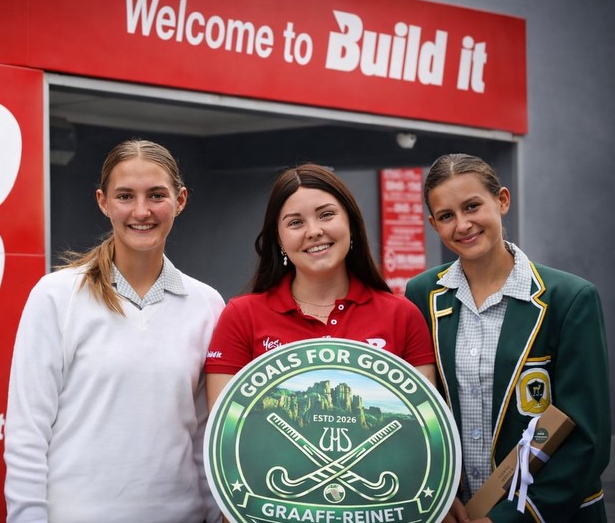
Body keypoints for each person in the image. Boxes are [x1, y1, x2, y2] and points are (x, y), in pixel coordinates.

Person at [4, 139, 224, 522]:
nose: (141, 211)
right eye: (125, 196)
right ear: (103, 202)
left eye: (156, 195)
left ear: (180, 200)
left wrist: (214, 513)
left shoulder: (207, 305)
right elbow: (27, 433)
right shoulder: (57, 296)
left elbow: (207, 435)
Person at [405, 153, 610, 522]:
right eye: (447, 216)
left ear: (501, 200)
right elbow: (418, 411)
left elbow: (587, 437)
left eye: (472, 206)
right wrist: (437, 495)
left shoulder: (569, 298)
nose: (462, 224)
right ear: (433, 224)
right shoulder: (421, 295)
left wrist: (508, 519)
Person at [206, 163, 437, 407]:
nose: (314, 231)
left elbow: (424, 419)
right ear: (279, 239)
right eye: (295, 223)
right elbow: (226, 422)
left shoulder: (403, 315)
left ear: (351, 223)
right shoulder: (241, 316)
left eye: (326, 215)